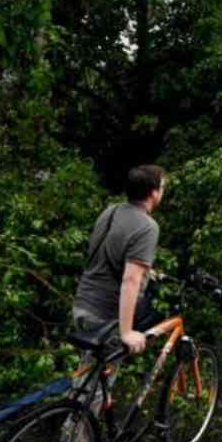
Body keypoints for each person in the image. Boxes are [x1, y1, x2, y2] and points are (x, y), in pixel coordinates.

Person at [72, 164, 165, 415]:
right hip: (105, 315)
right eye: (162, 186)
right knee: (96, 390)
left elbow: (106, 254)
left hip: (83, 303)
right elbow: (130, 281)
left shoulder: (111, 211)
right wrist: (126, 332)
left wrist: (148, 271)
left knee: (88, 376)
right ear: (154, 193)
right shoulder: (147, 226)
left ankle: (71, 416)